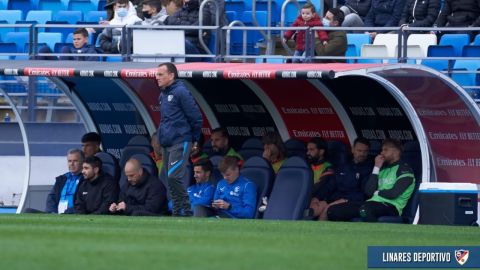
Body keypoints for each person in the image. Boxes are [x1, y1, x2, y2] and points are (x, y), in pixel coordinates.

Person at [156, 62, 203, 217]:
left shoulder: (181, 92)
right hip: (167, 143)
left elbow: (196, 117)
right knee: (170, 179)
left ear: (171, 75)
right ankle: (177, 212)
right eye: (157, 74)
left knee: (173, 176)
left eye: (161, 74)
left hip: (181, 140)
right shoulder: (163, 94)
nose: (157, 77)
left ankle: (187, 210)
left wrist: (195, 139)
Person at [311, 138, 373, 220]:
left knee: (328, 210)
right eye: (359, 150)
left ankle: (319, 231)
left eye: (365, 151)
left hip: (351, 202)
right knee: (313, 208)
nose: (362, 154)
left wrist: (345, 199)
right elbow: (330, 185)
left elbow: (364, 193)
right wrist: (317, 197)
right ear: (353, 150)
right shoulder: (343, 166)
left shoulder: (369, 169)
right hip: (334, 199)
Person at [358, 138, 415, 222]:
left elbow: (393, 194)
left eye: (385, 150)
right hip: (372, 203)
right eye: (382, 150)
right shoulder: (382, 169)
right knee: (336, 211)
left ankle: (374, 233)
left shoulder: (404, 170)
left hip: (391, 206)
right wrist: (376, 167)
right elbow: (368, 191)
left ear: (396, 151)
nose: (382, 153)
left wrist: (376, 192)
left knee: (364, 210)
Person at [25, 149, 84, 214]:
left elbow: (83, 203)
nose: (72, 164)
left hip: (72, 214)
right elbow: (51, 198)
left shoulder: (85, 180)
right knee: (28, 211)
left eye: (75, 161)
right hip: (56, 214)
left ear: (82, 162)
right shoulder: (62, 179)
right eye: (69, 161)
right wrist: (52, 212)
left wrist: (68, 212)